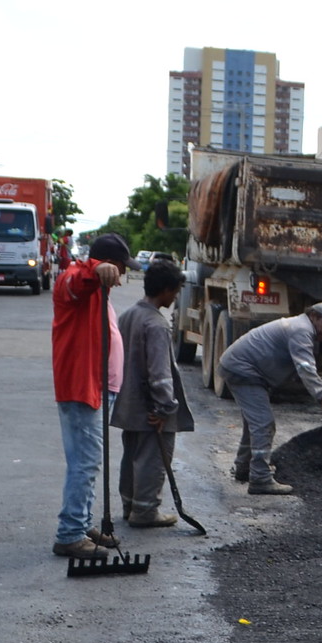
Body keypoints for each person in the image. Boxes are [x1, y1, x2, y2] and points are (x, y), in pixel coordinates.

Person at [50, 233, 129, 560]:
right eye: (120, 269)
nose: (122, 276)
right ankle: (70, 533)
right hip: (83, 387)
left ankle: (80, 524)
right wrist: (96, 270)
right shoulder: (77, 280)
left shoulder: (100, 293)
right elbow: (73, 281)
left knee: (89, 462)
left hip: (97, 388)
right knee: (85, 462)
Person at [218, 302, 322, 495]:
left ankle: (244, 469)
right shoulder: (301, 330)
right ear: (313, 316)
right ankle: (260, 478)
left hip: (240, 367)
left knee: (254, 422)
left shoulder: (299, 326)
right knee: (263, 423)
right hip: (243, 369)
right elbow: (305, 368)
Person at [113, 256, 196, 528]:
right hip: (150, 407)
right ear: (165, 290)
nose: (175, 297)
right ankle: (146, 511)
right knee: (153, 458)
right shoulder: (157, 324)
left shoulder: (128, 316)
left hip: (129, 403)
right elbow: (160, 374)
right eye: (175, 291)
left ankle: (130, 504)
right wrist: (164, 409)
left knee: (132, 454)